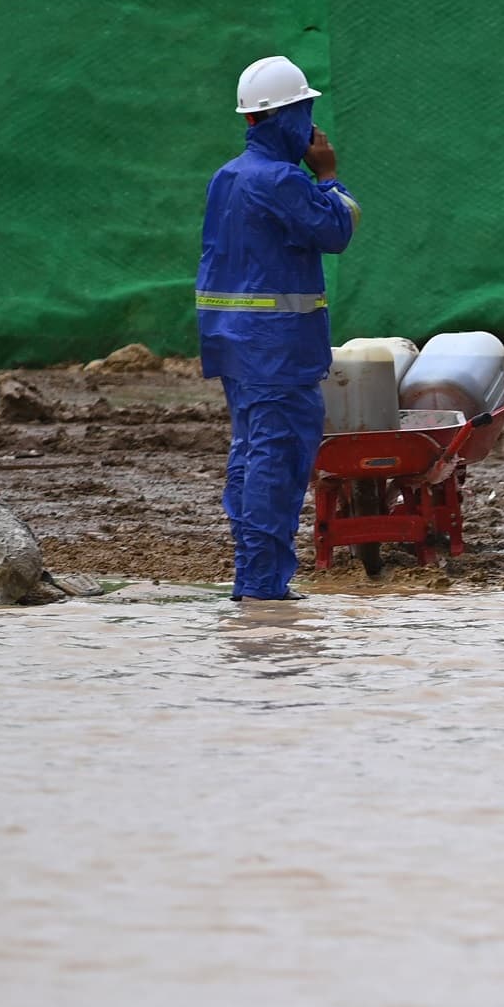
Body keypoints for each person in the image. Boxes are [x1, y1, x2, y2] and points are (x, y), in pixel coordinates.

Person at [197, 55, 358, 601]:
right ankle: (263, 588)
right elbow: (336, 230)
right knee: (276, 458)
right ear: (289, 117)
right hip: (277, 352)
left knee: (251, 453)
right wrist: (329, 174)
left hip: (235, 346)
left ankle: (253, 580)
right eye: (307, 115)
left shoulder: (229, 176)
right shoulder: (283, 179)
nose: (313, 128)